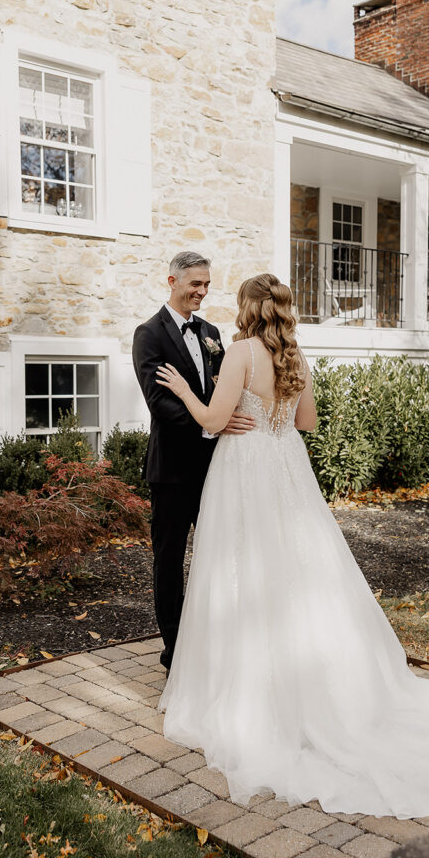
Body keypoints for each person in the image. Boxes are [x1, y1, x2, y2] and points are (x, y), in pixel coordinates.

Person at [154, 273, 429, 819]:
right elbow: (304, 421)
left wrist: (187, 391)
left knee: (243, 569)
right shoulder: (294, 357)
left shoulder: (239, 353)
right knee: (299, 573)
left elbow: (212, 420)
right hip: (287, 467)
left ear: (248, 308)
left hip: (247, 472)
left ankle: (255, 691)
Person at [131, 251, 255, 671]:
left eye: (206, 284)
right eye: (195, 284)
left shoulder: (211, 331)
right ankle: (175, 650)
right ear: (172, 281)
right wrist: (213, 424)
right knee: (169, 561)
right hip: (171, 472)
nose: (202, 292)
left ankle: (216, 639)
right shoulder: (148, 334)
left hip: (216, 468)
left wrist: (223, 415)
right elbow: (160, 404)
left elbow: (222, 389)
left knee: (220, 553)